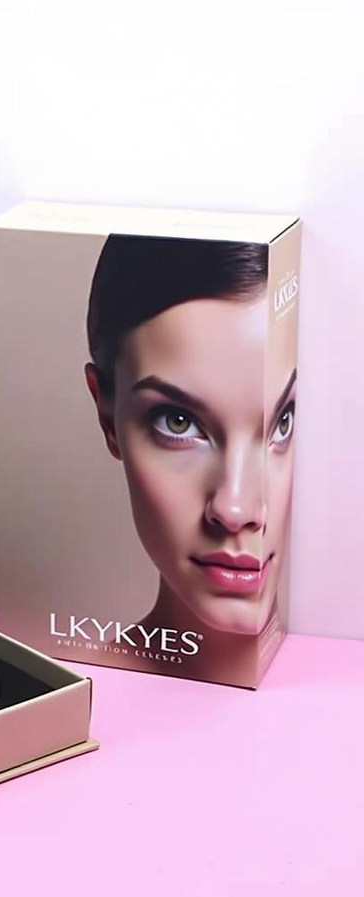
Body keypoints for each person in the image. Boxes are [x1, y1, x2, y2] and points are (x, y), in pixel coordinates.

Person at [84, 235, 296, 642]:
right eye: (177, 422)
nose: (236, 511)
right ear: (108, 416)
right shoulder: (58, 673)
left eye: (282, 422)